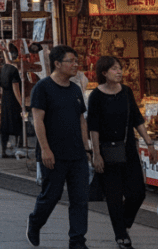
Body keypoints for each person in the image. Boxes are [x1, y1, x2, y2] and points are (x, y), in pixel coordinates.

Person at [87, 56, 157, 249]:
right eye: (114, 69)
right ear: (104, 73)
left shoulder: (126, 92)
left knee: (138, 193)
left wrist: (149, 143)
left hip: (127, 149)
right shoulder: (96, 96)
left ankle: (123, 224)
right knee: (114, 195)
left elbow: (136, 118)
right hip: (106, 151)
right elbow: (93, 127)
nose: (119, 72)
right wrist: (96, 153)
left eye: (120, 68)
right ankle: (121, 235)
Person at [26, 45, 90, 249]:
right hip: (53, 153)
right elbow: (38, 120)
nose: (75, 65)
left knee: (80, 199)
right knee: (51, 196)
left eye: (76, 61)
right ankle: (35, 223)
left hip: (77, 154)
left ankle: (77, 240)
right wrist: (45, 149)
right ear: (57, 63)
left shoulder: (75, 88)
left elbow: (81, 120)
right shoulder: (43, 88)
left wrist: (86, 148)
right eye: (71, 61)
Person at [0, 44, 24, 158]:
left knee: (5, 125)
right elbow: (16, 89)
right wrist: (21, 103)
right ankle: (18, 149)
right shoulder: (14, 70)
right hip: (13, 101)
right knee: (17, 124)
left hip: (5, 99)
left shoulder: (3, 68)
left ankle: (3, 149)